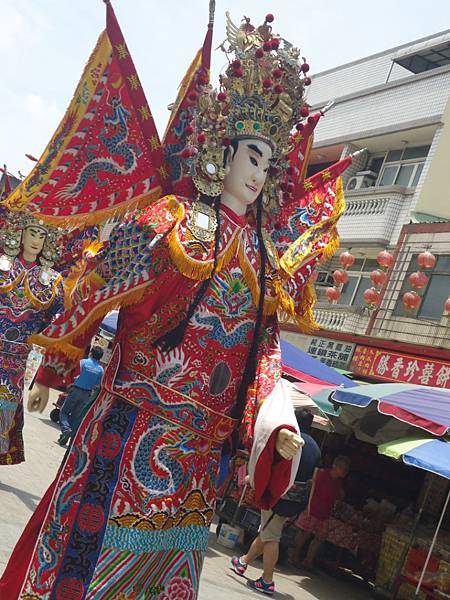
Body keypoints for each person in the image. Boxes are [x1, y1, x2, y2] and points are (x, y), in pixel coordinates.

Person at [0, 8, 351, 599]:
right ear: (224, 151)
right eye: (253, 156)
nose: (260, 174)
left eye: (269, 162)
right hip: (131, 427)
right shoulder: (174, 223)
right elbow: (95, 284)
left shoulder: (266, 262)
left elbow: (261, 352)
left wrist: (275, 420)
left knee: (168, 577)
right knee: (90, 564)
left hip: (197, 459)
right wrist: (60, 362)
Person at [231, 410, 321, 595]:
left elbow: (272, 465)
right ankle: (243, 562)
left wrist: (255, 478)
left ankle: (267, 581)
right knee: (268, 530)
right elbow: (314, 479)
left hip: (278, 496)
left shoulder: (290, 440)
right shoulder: (316, 447)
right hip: (296, 502)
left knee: (271, 537)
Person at [0, 211, 64, 465]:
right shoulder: (3, 265)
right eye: (32, 233)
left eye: (41, 235)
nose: (36, 240)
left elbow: (57, 326)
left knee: (4, 405)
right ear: (21, 234)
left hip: (17, 360)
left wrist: (45, 375)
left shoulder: (53, 281)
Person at [292, 455, 351, 571]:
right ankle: (294, 557)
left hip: (325, 513)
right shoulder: (323, 475)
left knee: (319, 538)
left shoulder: (338, 482)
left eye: (346, 470)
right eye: (343, 469)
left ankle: (308, 561)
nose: (345, 472)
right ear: (335, 466)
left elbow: (337, 495)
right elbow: (312, 487)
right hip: (313, 509)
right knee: (304, 534)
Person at [57, 345, 104, 446]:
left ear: (91, 353)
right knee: (75, 417)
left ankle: (66, 430)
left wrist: (69, 385)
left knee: (64, 412)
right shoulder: (101, 370)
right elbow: (97, 385)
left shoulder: (82, 362)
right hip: (87, 395)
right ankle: (66, 437)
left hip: (75, 390)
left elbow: (72, 374)